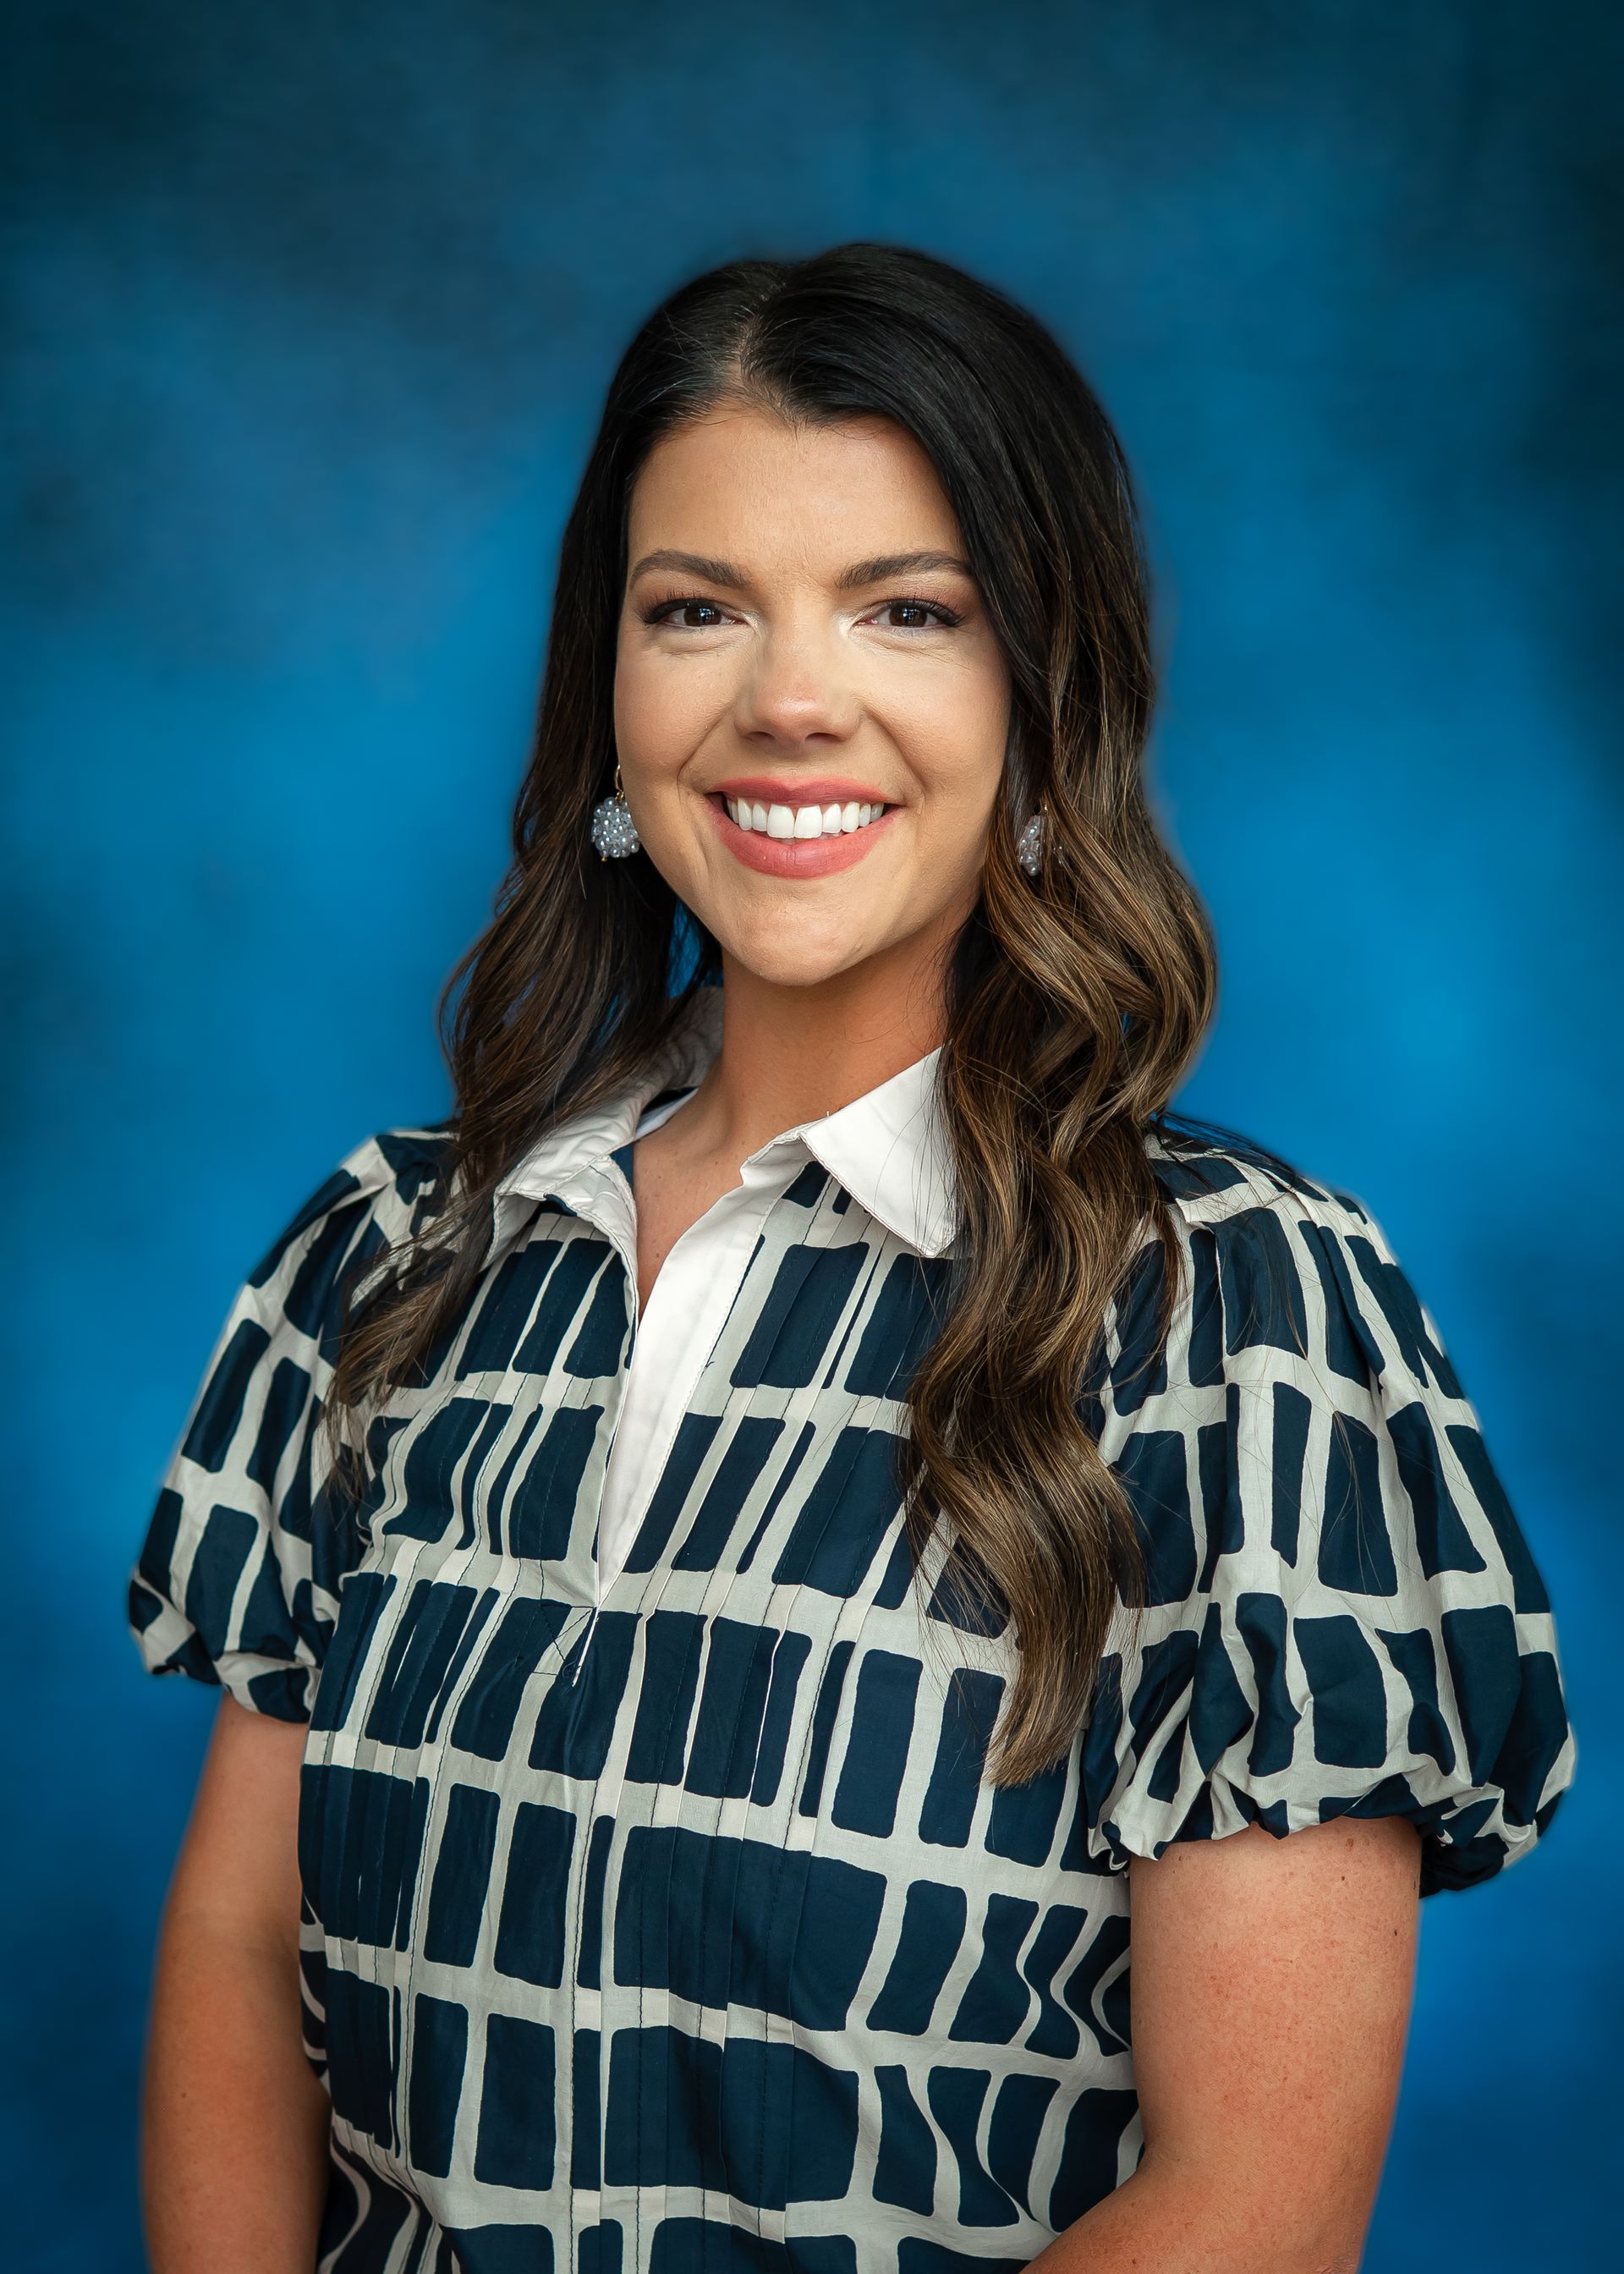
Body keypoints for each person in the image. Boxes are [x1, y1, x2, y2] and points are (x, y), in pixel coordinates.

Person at [128, 242, 1577, 2274]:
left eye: (911, 611)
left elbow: (1247, 2209)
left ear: (1039, 693)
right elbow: (233, 1951)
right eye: (697, 608)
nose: (788, 699)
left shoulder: (1233, 1316)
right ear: (608, 686)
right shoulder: (389, 1253)